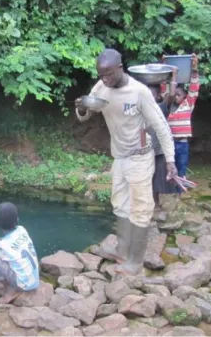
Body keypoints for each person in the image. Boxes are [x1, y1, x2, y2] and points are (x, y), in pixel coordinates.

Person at [75, 48, 178, 275]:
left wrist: (170, 159)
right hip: (119, 156)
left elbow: (161, 126)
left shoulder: (139, 92)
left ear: (120, 68)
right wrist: (81, 108)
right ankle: (122, 250)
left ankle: (135, 262)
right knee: (119, 204)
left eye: (109, 74)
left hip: (140, 157)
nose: (104, 79)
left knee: (141, 209)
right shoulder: (101, 87)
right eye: (101, 74)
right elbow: (87, 114)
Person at [0, 202, 40, 303]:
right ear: (17, 219)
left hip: (23, 285)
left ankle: (10, 291)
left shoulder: (1, 246)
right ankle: (16, 285)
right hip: (35, 280)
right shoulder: (22, 230)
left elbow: (6, 264)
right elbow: (12, 240)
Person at [161, 53, 200, 181]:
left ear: (184, 96)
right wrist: (164, 66)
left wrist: (194, 68)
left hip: (182, 143)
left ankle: (179, 191)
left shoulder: (188, 104)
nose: (176, 97)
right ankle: (170, 188)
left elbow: (194, 87)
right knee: (168, 168)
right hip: (169, 143)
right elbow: (163, 87)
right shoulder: (167, 105)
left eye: (179, 95)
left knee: (181, 167)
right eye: (175, 94)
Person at [146, 87, 179, 213]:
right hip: (145, 150)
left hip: (159, 150)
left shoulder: (160, 108)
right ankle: (150, 202)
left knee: (158, 177)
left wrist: (174, 76)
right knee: (147, 177)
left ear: (158, 97)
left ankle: (156, 203)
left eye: (152, 95)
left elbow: (171, 95)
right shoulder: (140, 110)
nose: (148, 97)